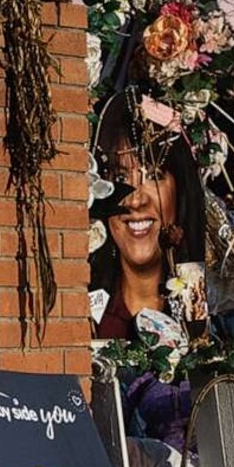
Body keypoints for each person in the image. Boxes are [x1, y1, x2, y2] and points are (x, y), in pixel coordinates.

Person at [89, 103, 211, 344]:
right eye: (121, 177)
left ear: (180, 189)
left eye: (154, 176)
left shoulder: (199, 306)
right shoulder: (87, 314)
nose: (136, 200)